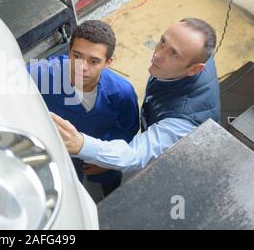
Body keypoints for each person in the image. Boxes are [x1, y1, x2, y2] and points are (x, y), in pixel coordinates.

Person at [52, 18, 221, 176]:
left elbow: (135, 156)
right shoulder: (188, 59)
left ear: (195, 69)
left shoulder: (181, 124)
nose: (158, 55)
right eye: (162, 41)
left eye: (174, 54)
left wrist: (80, 144)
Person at [28, 20, 139, 196]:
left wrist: (103, 159)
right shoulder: (41, 74)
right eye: (77, 56)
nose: (81, 68)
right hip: (55, 156)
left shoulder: (122, 93)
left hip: (96, 163)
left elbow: (128, 129)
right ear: (69, 51)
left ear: (108, 62)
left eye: (94, 61)